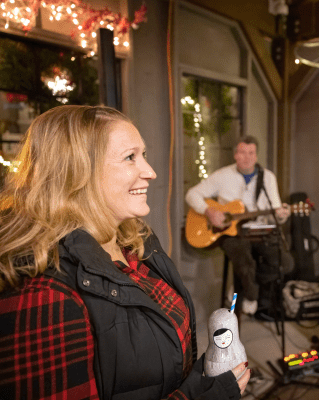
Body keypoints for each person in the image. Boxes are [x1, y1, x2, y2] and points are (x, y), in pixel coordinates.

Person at [0, 105, 251, 399]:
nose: (151, 171)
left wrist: (202, 377)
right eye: (130, 157)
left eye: (142, 155)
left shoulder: (137, 241)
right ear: (77, 172)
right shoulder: (42, 295)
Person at [185, 135, 293, 316]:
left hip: (259, 230)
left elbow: (276, 214)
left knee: (286, 263)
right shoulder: (222, 175)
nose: (247, 157)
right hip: (231, 233)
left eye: (251, 153)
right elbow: (191, 194)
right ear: (235, 154)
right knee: (243, 260)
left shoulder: (267, 178)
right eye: (242, 152)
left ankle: (244, 283)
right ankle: (250, 293)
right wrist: (208, 211)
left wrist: (282, 216)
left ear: (256, 155)